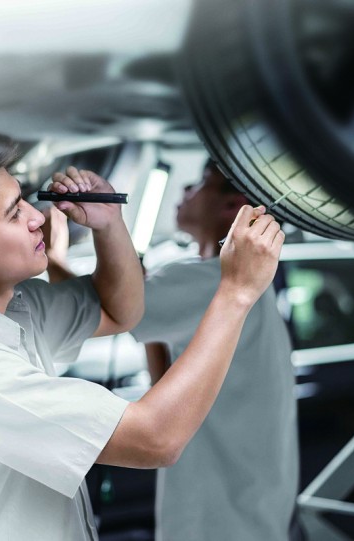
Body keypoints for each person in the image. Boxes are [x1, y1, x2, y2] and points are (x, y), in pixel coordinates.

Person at [0, 133, 284, 541]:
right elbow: (156, 439)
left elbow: (118, 310)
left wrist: (108, 226)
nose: (37, 217)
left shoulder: (12, 308)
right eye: (14, 213)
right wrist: (236, 292)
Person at [129, 158, 299, 541]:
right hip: (243, 514)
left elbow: (113, 310)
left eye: (200, 182)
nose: (186, 192)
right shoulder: (240, 286)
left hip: (217, 519)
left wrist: (100, 234)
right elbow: (165, 385)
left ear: (233, 205)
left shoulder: (209, 280)